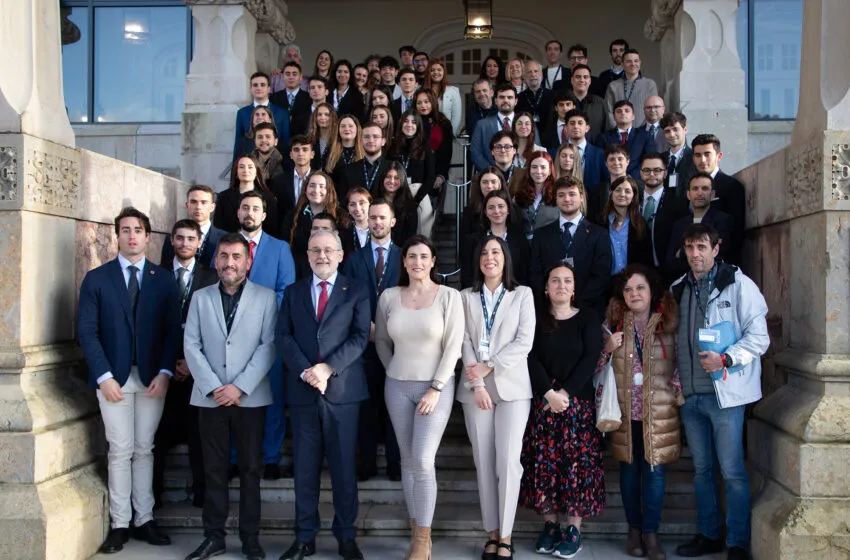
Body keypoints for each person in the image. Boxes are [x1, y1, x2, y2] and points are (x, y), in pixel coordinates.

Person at [77, 207, 181, 554]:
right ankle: (120, 524)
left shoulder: (163, 280)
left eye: (138, 229)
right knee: (120, 450)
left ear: (148, 237)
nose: (132, 235)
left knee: (144, 449)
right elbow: (87, 332)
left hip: (153, 379)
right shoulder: (97, 279)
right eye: (125, 230)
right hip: (113, 380)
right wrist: (104, 376)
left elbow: (171, 333)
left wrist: (166, 372)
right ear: (116, 236)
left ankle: (144, 519)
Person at [670, 223, 769, 560]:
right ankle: (709, 534)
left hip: (725, 396)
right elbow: (673, 341)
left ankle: (737, 543)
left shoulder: (739, 285)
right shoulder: (678, 288)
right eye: (689, 247)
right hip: (691, 397)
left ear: (716, 248)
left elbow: (759, 338)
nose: (695, 254)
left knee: (732, 472)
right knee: (702, 471)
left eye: (701, 247)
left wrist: (726, 358)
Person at [182, 233, 278, 560]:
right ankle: (214, 536)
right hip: (209, 398)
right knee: (213, 470)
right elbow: (191, 345)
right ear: (216, 260)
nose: (229, 263)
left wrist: (239, 387)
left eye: (236, 256)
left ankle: (250, 538)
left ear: (248, 261)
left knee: (251, 470)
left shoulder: (266, 299)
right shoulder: (200, 297)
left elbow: (269, 346)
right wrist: (213, 386)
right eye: (224, 256)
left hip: (249, 398)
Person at [276, 229, 370, 560]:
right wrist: (307, 371)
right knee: (304, 469)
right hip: (303, 393)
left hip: (342, 393)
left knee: (344, 469)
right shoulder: (292, 292)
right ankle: (305, 537)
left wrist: (327, 369)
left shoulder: (356, 290)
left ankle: (346, 536)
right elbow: (283, 336)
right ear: (307, 254)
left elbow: (360, 337)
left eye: (329, 250)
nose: (322, 256)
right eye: (315, 249)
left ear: (341, 255)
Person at [375, 235, 464, 560]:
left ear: (432, 261)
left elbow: (454, 346)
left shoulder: (448, 296)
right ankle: (416, 531)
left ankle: (423, 540)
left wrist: (436, 387)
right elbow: (382, 341)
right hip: (397, 387)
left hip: (435, 387)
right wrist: (392, 370)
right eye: (411, 256)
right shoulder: (388, 296)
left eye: (423, 256)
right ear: (404, 261)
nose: (417, 262)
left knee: (424, 460)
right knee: (408, 460)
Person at [520, 261, 605, 559]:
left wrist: (564, 394)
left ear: (574, 287)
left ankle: (573, 529)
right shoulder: (536, 318)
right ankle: (550, 526)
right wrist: (547, 393)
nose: (561, 286)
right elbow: (529, 356)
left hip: (577, 404)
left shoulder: (588, 318)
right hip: (543, 403)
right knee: (544, 466)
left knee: (576, 468)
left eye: (567, 281)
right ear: (545, 288)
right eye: (555, 281)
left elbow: (590, 358)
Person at [458, 236, 535, 560]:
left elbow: (524, 340)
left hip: (512, 388)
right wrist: (476, 383)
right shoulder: (464, 296)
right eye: (485, 252)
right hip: (475, 389)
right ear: (477, 260)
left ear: (505, 259)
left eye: (496, 252)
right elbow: (461, 338)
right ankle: (491, 533)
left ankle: (506, 535)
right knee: (484, 463)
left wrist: (489, 367)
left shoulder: (523, 294)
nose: (490, 257)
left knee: (507, 461)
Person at [600, 264, 684, 560]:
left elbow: (680, 363)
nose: (634, 294)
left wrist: (676, 394)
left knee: (655, 472)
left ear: (652, 291)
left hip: (658, 410)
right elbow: (597, 369)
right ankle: (634, 530)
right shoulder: (613, 323)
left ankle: (651, 533)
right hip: (625, 411)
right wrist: (607, 348)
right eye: (628, 289)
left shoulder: (669, 323)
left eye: (640, 288)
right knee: (629, 472)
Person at [152, 220, 219, 511]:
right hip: (162, 370)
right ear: (171, 240)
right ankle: (152, 497)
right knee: (157, 438)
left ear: (199, 242)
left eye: (190, 238)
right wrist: (169, 364)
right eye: (179, 238)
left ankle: (202, 495)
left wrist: (192, 364)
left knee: (200, 437)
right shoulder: (155, 275)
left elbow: (216, 327)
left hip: (199, 370)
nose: (184, 243)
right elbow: (149, 325)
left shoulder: (211, 277)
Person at [234, 191, 296, 480]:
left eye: (255, 208)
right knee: (236, 398)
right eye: (245, 208)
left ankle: (271, 456)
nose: (250, 213)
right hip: (231, 336)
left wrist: (262, 320)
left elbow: (287, 290)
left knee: (272, 397)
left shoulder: (280, 248)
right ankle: (236, 457)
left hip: (269, 336)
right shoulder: (226, 246)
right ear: (238, 213)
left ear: (264, 215)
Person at [343, 200, 403, 482]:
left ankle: (395, 462)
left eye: (382, 217)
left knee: (396, 406)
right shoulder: (355, 259)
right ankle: (366, 462)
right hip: (364, 344)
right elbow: (348, 297)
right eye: (372, 218)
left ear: (392, 221)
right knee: (366, 406)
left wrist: (392, 327)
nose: (377, 222)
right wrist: (362, 325)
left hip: (399, 345)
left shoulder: (406, 257)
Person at [530, 177, 612, 316]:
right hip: (549, 312)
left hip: (587, 311)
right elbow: (535, 274)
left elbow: (601, 275)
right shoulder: (541, 234)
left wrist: (575, 304)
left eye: (572, 194)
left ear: (581, 197)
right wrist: (552, 302)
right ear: (555, 199)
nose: (567, 199)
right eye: (561, 195)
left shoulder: (599, 234)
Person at [665, 173, 737, 281]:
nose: (700, 193)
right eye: (695, 189)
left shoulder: (723, 220)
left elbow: (720, 256)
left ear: (712, 194)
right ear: (688, 195)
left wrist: (682, 252)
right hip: (684, 283)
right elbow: (670, 262)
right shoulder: (679, 225)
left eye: (705, 188)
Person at [460, 189, 530, 289]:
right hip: (480, 296)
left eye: (501, 206)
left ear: (508, 210)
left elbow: (524, 274)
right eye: (491, 208)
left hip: (513, 295)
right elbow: (467, 276)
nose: (496, 211)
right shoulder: (472, 241)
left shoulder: (520, 240)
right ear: (485, 212)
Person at [690, 134, 746, 257]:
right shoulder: (689, 186)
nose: (702, 160)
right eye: (698, 155)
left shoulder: (732, 186)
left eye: (707, 154)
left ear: (719, 156)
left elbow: (735, 233)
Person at [285, 171, 343, 280]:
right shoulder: (292, 217)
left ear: (328, 190)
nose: (316, 190)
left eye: (322, 186)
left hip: (331, 275)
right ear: (305, 189)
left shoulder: (340, 218)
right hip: (300, 274)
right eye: (312, 186)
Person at [638, 152, 689, 269]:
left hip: (667, 270)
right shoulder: (633, 201)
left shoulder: (677, 204)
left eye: (657, 170)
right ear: (640, 173)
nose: (651, 174)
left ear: (665, 173)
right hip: (637, 268)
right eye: (646, 170)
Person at [160, 184, 226, 269]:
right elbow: (165, 270)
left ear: (212, 207)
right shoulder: (171, 237)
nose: (198, 207)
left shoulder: (224, 238)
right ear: (187, 206)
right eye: (193, 202)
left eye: (204, 202)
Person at [214, 155, 281, 238]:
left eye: (250, 167)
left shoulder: (268, 198)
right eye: (241, 167)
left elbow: (272, 229)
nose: (246, 170)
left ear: (256, 171)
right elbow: (217, 227)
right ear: (236, 172)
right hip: (230, 244)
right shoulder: (224, 196)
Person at [596, 176, 653, 274]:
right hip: (605, 284)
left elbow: (646, 260)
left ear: (633, 196)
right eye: (618, 190)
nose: (622, 194)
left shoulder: (640, 225)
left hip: (632, 282)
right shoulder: (600, 222)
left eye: (627, 191)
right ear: (610, 193)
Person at [234, 72, 290, 161]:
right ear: (251, 89)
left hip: (276, 165)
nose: (259, 88)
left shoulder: (282, 113)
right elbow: (238, 144)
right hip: (250, 165)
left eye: (262, 85)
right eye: (255, 85)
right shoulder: (242, 113)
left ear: (269, 89)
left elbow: (286, 142)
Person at [596, 100, 656, 179]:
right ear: (613, 116)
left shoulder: (645, 136)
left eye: (627, 111)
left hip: (638, 182)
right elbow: (601, 162)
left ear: (633, 116)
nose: (623, 113)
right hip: (611, 182)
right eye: (619, 111)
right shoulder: (603, 138)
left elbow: (649, 160)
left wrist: (630, 177)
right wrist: (615, 177)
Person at [605, 49, 658, 129]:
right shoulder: (613, 86)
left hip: (643, 133)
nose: (633, 64)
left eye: (636, 61)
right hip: (619, 133)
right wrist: (618, 130)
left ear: (640, 63)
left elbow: (654, 110)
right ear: (622, 64)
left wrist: (643, 131)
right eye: (629, 61)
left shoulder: (650, 84)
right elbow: (609, 111)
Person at [471, 84, 519, 171]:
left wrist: (521, 172)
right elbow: (475, 153)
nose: (505, 100)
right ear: (496, 101)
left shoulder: (526, 124)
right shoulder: (482, 125)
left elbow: (534, 148)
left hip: (520, 177)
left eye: (510, 97)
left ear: (516, 101)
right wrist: (491, 172)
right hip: (491, 178)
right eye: (502, 97)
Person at [414, 89, 453, 194]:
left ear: (433, 102)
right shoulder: (412, 122)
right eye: (419, 103)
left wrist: (441, 175)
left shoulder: (444, 123)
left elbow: (447, 152)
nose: (423, 105)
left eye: (426, 102)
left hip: (437, 175)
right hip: (417, 176)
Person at [514, 151, 560, 240]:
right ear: (529, 170)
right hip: (524, 246)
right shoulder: (519, 194)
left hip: (548, 246)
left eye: (543, 167)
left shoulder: (558, 195)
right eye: (534, 167)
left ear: (550, 171)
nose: (538, 171)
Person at [340, 122, 392, 198]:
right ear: (361, 141)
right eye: (366, 137)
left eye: (375, 136)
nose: (371, 140)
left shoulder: (393, 168)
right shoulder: (348, 170)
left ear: (383, 141)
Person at [587, 143, 634, 223]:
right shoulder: (598, 190)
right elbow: (592, 219)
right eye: (612, 159)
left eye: (620, 159)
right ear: (606, 164)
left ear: (628, 161)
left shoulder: (639, 187)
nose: (616, 163)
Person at [376, 162, 419, 246]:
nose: (392, 181)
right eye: (388, 177)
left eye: (396, 178)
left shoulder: (410, 206)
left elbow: (411, 237)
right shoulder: (373, 202)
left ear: (402, 180)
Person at [460, 166, 508, 239]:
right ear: (479, 185)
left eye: (493, 182)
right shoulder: (470, 211)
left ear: (500, 184)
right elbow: (465, 244)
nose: (489, 186)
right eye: (485, 182)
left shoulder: (513, 210)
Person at [562, 109, 606, 189]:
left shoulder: (600, 154)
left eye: (580, 123)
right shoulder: (555, 153)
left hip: (593, 199)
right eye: (572, 123)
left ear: (587, 128)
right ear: (565, 128)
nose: (576, 126)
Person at [660, 111, 696, 200]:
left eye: (675, 129)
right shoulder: (660, 159)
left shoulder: (695, 158)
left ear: (685, 130)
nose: (671, 134)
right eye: (667, 131)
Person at [270, 61, 312, 136]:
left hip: (301, 141)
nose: (291, 77)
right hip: (279, 141)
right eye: (287, 74)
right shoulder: (273, 98)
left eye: (294, 74)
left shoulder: (309, 98)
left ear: (300, 77)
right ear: (283, 76)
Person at [569, 64, 608, 143]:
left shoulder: (600, 103)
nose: (582, 80)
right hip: (568, 151)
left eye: (585, 77)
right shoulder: (563, 103)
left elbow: (607, 130)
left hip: (595, 149)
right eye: (578, 77)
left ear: (590, 81)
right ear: (572, 80)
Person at [424, 58, 463, 135]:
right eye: (432, 70)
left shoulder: (453, 91)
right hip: (425, 134)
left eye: (439, 70)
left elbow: (456, 118)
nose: (436, 72)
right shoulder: (422, 90)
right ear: (428, 73)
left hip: (445, 133)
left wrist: (450, 134)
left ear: (444, 72)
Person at [487, 131, 528, 196]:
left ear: (514, 150)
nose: (502, 150)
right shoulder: (482, 177)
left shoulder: (525, 176)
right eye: (498, 147)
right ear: (492, 151)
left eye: (507, 147)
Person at [516, 60, 554, 127]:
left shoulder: (552, 95)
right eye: (529, 72)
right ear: (524, 77)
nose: (533, 75)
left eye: (536, 71)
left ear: (541, 75)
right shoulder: (519, 98)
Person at [325, 115, 364, 181]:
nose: (346, 129)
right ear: (338, 130)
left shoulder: (365, 151)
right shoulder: (330, 151)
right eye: (343, 126)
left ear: (357, 129)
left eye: (350, 126)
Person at [307, 103, 337, 172]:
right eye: (319, 114)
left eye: (326, 114)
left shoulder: (338, 140)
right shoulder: (310, 139)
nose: (322, 117)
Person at [343, 186, 372, 254]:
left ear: (370, 205)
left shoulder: (380, 230)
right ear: (348, 209)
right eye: (352, 204)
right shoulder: (343, 235)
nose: (357, 208)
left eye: (362, 203)